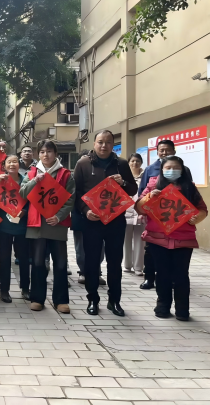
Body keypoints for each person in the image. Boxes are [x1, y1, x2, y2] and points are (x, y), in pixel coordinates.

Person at [74, 130, 138, 317]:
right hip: (92, 221)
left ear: (113, 145)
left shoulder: (121, 164)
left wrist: (123, 182)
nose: (104, 146)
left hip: (115, 221)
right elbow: (76, 192)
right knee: (92, 262)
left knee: (115, 262)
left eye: (108, 142)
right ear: (94, 143)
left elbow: (133, 189)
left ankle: (114, 300)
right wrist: (85, 211)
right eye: (100, 142)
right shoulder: (83, 164)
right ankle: (92, 299)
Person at [136, 156, 207, 320]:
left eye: (176, 168)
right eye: (168, 168)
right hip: (158, 238)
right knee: (162, 273)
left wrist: (197, 217)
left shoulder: (189, 187)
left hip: (183, 239)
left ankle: (183, 310)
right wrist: (149, 197)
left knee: (181, 275)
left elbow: (202, 209)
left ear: (182, 170)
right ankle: (162, 306)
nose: (172, 171)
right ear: (162, 170)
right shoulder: (153, 185)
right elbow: (140, 208)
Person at [20, 140, 75, 314]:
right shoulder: (32, 172)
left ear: (56, 154)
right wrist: (34, 181)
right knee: (37, 263)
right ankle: (37, 298)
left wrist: (59, 216)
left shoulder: (65, 174)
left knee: (60, 263)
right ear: (38, 154)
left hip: (57, 223)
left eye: (49, 151)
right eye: (42, 152)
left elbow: (71, 199)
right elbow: (22, 193)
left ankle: (61, 300)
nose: (46, 155)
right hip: (37, 224)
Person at [137, 139, 186, 290]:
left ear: (174, 151)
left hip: (176, 216)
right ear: (157, 152)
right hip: (155, 217)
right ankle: (149, 277)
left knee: (174, 248)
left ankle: (171, 278)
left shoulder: (183, 169)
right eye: (161, 150)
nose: (164, 153)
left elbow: (188, 191)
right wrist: (142, 210)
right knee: (151, 248)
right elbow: (142, 190)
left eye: (167, 150)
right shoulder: (150, 169)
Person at [0, 155, 31, 303]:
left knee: (24, 259)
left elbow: (32, 200)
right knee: (4, 259)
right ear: (4, 165)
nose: (12, 164)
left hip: (22, 226)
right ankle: (4, 290)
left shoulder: (25, 181)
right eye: (9, 162)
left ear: (18, 164)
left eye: (15, 161)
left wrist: (25, 211)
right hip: (5, 227)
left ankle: (25, 288)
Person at [71, 150, 106, 285]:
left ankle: (97, 272)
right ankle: (83, 272)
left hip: (98, 215)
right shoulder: (75, 175)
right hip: (80, 214)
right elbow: (74, 194)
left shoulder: (100, 174)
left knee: (99, 246)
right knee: (80, 247)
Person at [124, 153, 145, 276]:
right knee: (125, 240)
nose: (135, 163)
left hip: (139, 213)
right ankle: (127, 265)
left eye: (137, 161)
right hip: (125, 212)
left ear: (141, 163)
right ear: (128, 163)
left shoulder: (145, 176)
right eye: (132, 161)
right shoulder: (125, 177)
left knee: (140, 241)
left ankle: (138, 267)